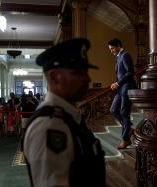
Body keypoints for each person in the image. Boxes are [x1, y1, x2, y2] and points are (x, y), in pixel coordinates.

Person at [22, 38, 106, 186]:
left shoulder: (68, 117)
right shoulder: (50, 126)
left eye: (86, 71)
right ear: (55, 77)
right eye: (78, 72)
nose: (88, 78)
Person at [108, 38, 137, 149]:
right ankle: (129, 128)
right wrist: (115, 83)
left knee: (125, 112)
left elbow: (130, 72)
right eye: (110, 49)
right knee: (113, 109)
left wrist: (118, 83)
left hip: (127, 88)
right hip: (120, 89)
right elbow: (120, 74)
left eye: (112, 48)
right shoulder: (118, 57)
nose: (112, 51)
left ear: (118, 45)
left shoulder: (125, 55)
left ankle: (126, 140)